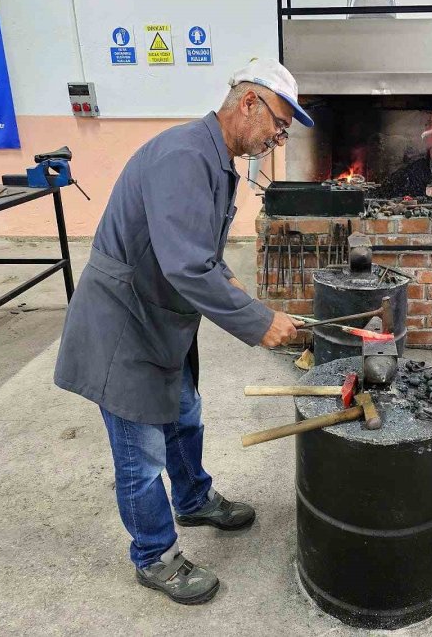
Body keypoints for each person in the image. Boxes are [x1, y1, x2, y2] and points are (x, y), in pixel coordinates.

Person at [54, 58, 311, 605]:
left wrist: (237, 289)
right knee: (141, 454)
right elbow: (186, 267)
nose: (277, 138)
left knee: (185, 415)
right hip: (125, 322)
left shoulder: (215, 158)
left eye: (284, 132)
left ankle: (192, 499)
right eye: (278, 124)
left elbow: (198, 250)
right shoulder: (183, 156)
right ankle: (155, 557)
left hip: (163, 318)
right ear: (249, 102)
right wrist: (258, 322)